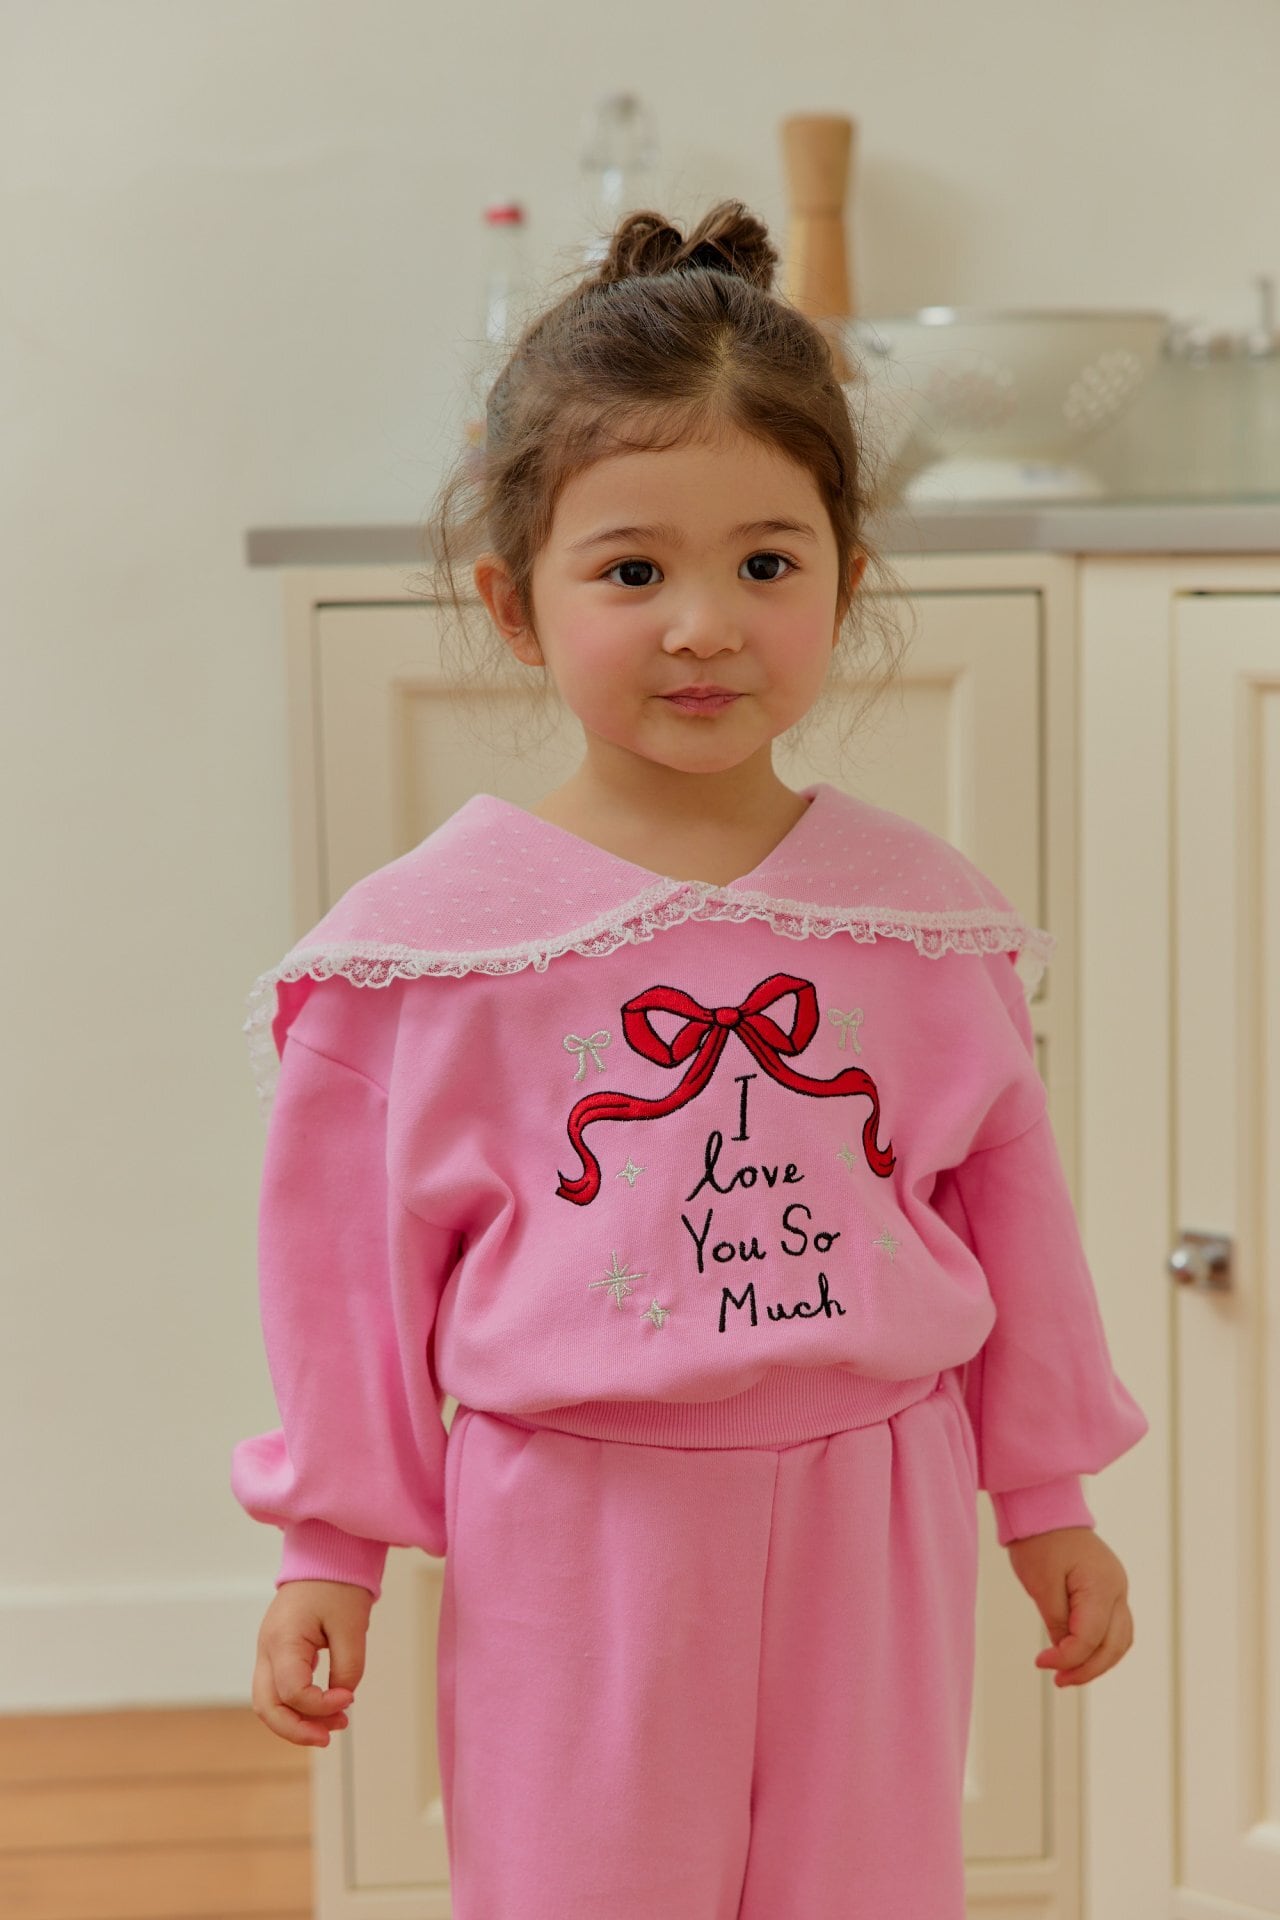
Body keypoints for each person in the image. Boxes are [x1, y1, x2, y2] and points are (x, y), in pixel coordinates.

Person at [231, 199, 1149, 1920]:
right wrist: (327, 1546)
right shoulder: (426, 949)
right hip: (578, 1525)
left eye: (767, 565)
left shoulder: (922, 915)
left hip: (881, 1507)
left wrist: (1046, 1497)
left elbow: (1012, 1218)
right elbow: (348, 1273)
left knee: (868, 1889)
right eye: (634, 570)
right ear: (516, 603)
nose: (706, 625)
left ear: (846, 584)